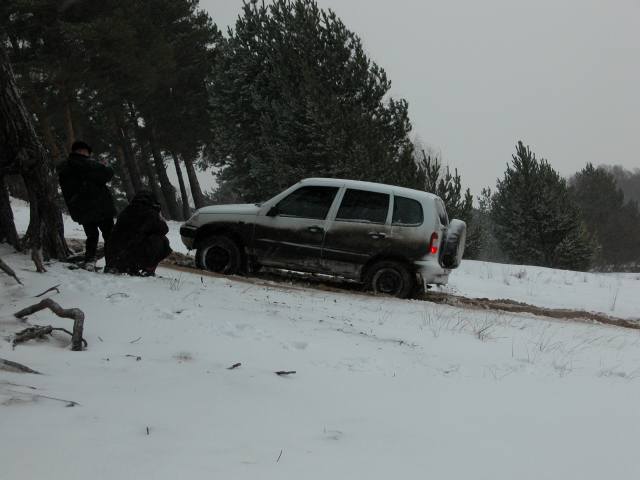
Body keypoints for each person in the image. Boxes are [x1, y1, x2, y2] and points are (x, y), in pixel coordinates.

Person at [58, 141, 116, 270]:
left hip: (81, 209)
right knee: (109, 236)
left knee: (91, 236)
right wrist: (107, 166)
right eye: (87, 152)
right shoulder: (89, 164)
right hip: (100, 207)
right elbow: (107, 174)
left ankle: (89, 260)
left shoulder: (65, 167)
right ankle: (111, 263)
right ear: (83, 151)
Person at [105, 190, 172, 276]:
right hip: (130, 258)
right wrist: (158, 214)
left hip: (114, 258)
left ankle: (121, 266)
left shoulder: (126, 211)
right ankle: (147, 269)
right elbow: (164, 229)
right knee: (162, 240)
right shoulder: (150, 213)